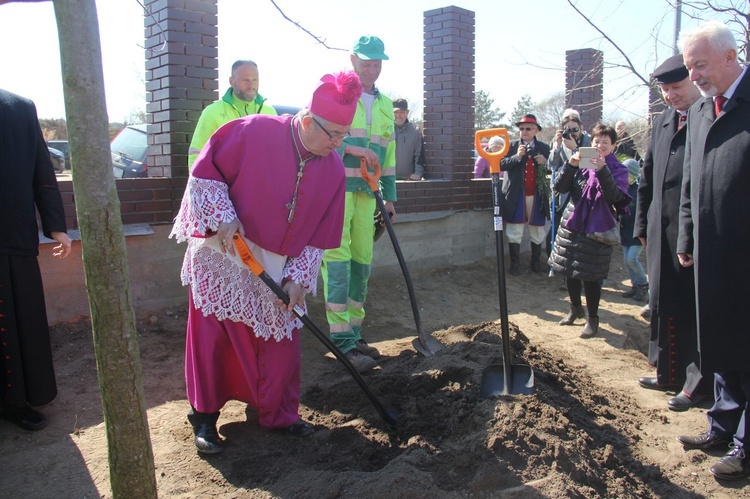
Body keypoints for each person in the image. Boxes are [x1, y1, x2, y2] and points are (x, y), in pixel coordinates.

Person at [170, 71, 362, 454]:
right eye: (333, 134)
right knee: (213, 340)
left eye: (345, 134)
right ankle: (205, 418)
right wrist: (223, 216)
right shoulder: (253, 130)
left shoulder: (335, 169)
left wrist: (297, 281)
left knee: (280, 346)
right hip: (226, 252)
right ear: (309, 121)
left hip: (277, 265)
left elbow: (320, 237)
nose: (339, 144)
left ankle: (277, 413)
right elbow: (205, 175)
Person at [675, 21, 750, 481]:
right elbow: (691, 181)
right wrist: (687, 236)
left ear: (730, 55)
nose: (695, 75)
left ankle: (744, 445)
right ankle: (722, 424)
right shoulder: (703, 111)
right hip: (711, 255)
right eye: (689, 67)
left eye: (700, 65)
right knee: (721, 341)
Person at [633, 54, 709, 412]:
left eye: (676, 87)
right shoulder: (664, 121)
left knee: (689, 306)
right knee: (662, 301)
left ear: (694, 81)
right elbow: (646, 178)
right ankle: (667, 371)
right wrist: (640, 226)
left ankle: (695, 382)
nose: (670, 95)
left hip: (691, 232)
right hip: (658, 229)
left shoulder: (708, 117)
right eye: (664, 89)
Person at [320, 35, 396, 373]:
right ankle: (341, 343)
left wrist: (390, 196)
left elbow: (388, 157)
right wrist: (352, 149)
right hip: (337, 189)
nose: (373, 67)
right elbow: (319, 136)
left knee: (361, 262)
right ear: (353, 60)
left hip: (369, 193)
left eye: (378, 62)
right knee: (337, 262)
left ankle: (354, 333)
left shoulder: (384, 105)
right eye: (367, 61)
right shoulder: (336, 92)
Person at [0, 89, 72, 431]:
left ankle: (15, 401)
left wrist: (55, 226)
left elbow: (41, 173)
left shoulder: (17, 108)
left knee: (17, 323)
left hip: (11, 234)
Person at [548, 123, 631, 338]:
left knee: (591, 277)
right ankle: (575, 309)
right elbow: (560, 187)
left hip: (598, 227)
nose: (600, 146)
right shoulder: (580, 163)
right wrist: (571, 166)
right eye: (597, 141)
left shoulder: (618, 169)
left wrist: (602, 169)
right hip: (573, 224)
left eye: (605, 142)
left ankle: (593, 319)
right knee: (570, 271)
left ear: (613, 145)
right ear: (590, 142)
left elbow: (615, 197)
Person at [187, 60, 277, 169]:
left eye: (255, 79)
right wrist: (197, 183)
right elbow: (197, 152)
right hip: (225, 183)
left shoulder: (270, 113)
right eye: (245, 80)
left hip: (261, 183)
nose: (251, 85)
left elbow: (277, 153)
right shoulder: (212, 112)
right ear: (231, 81)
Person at [499, 114, 551, 275]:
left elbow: (553, 169)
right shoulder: (511, 145)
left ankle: (535, 262)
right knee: (515, 229)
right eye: (521, 128)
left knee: (537, 229)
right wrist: (517, 157)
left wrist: (545, 162)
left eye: (528, 128)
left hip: (537, 194)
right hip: (517, 195)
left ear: (536, 130)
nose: (524, 131)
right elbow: (501, 164)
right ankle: (515, 263)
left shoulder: (544, 147)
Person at [547, 109, 592, 267]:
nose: (572, 133)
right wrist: (557, 147)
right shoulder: (561, 141)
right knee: (562, 230)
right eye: (568, 130)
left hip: (584, 193)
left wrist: (574, 149)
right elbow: (551, 165)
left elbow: (590, 166)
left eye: (575, 129)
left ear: (581, 127)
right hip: (564, 193)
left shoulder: (589, 141)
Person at [619, 159, 648, 302]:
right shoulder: (621, 188)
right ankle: (635, 285)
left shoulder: (639, 190)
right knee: (626, 259)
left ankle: (643, 284)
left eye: (627, 174)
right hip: (625, 231)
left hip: (637, 232)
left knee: (632, 258)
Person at [393, 98, 425, 180]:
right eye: (395, 112)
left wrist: (417, 173)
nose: (398, 115)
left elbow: (419, 155)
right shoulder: (384, 130)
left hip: (408, 180)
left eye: (401, 112)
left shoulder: (416, 132)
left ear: (407, 112)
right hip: (386, 180)